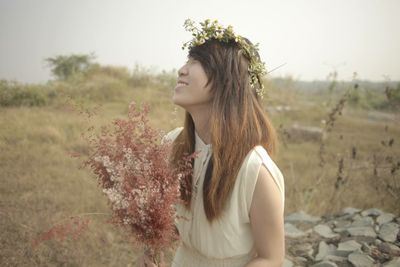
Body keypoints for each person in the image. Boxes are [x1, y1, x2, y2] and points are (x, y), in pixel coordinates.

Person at [165, 19, 285, 267]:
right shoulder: (171, 144)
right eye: (188, 60)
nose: (182, 70)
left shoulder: (256, 171)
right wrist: (150, 245)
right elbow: (171, 224)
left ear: (227, 81)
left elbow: (271, 257)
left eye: (198, 62)